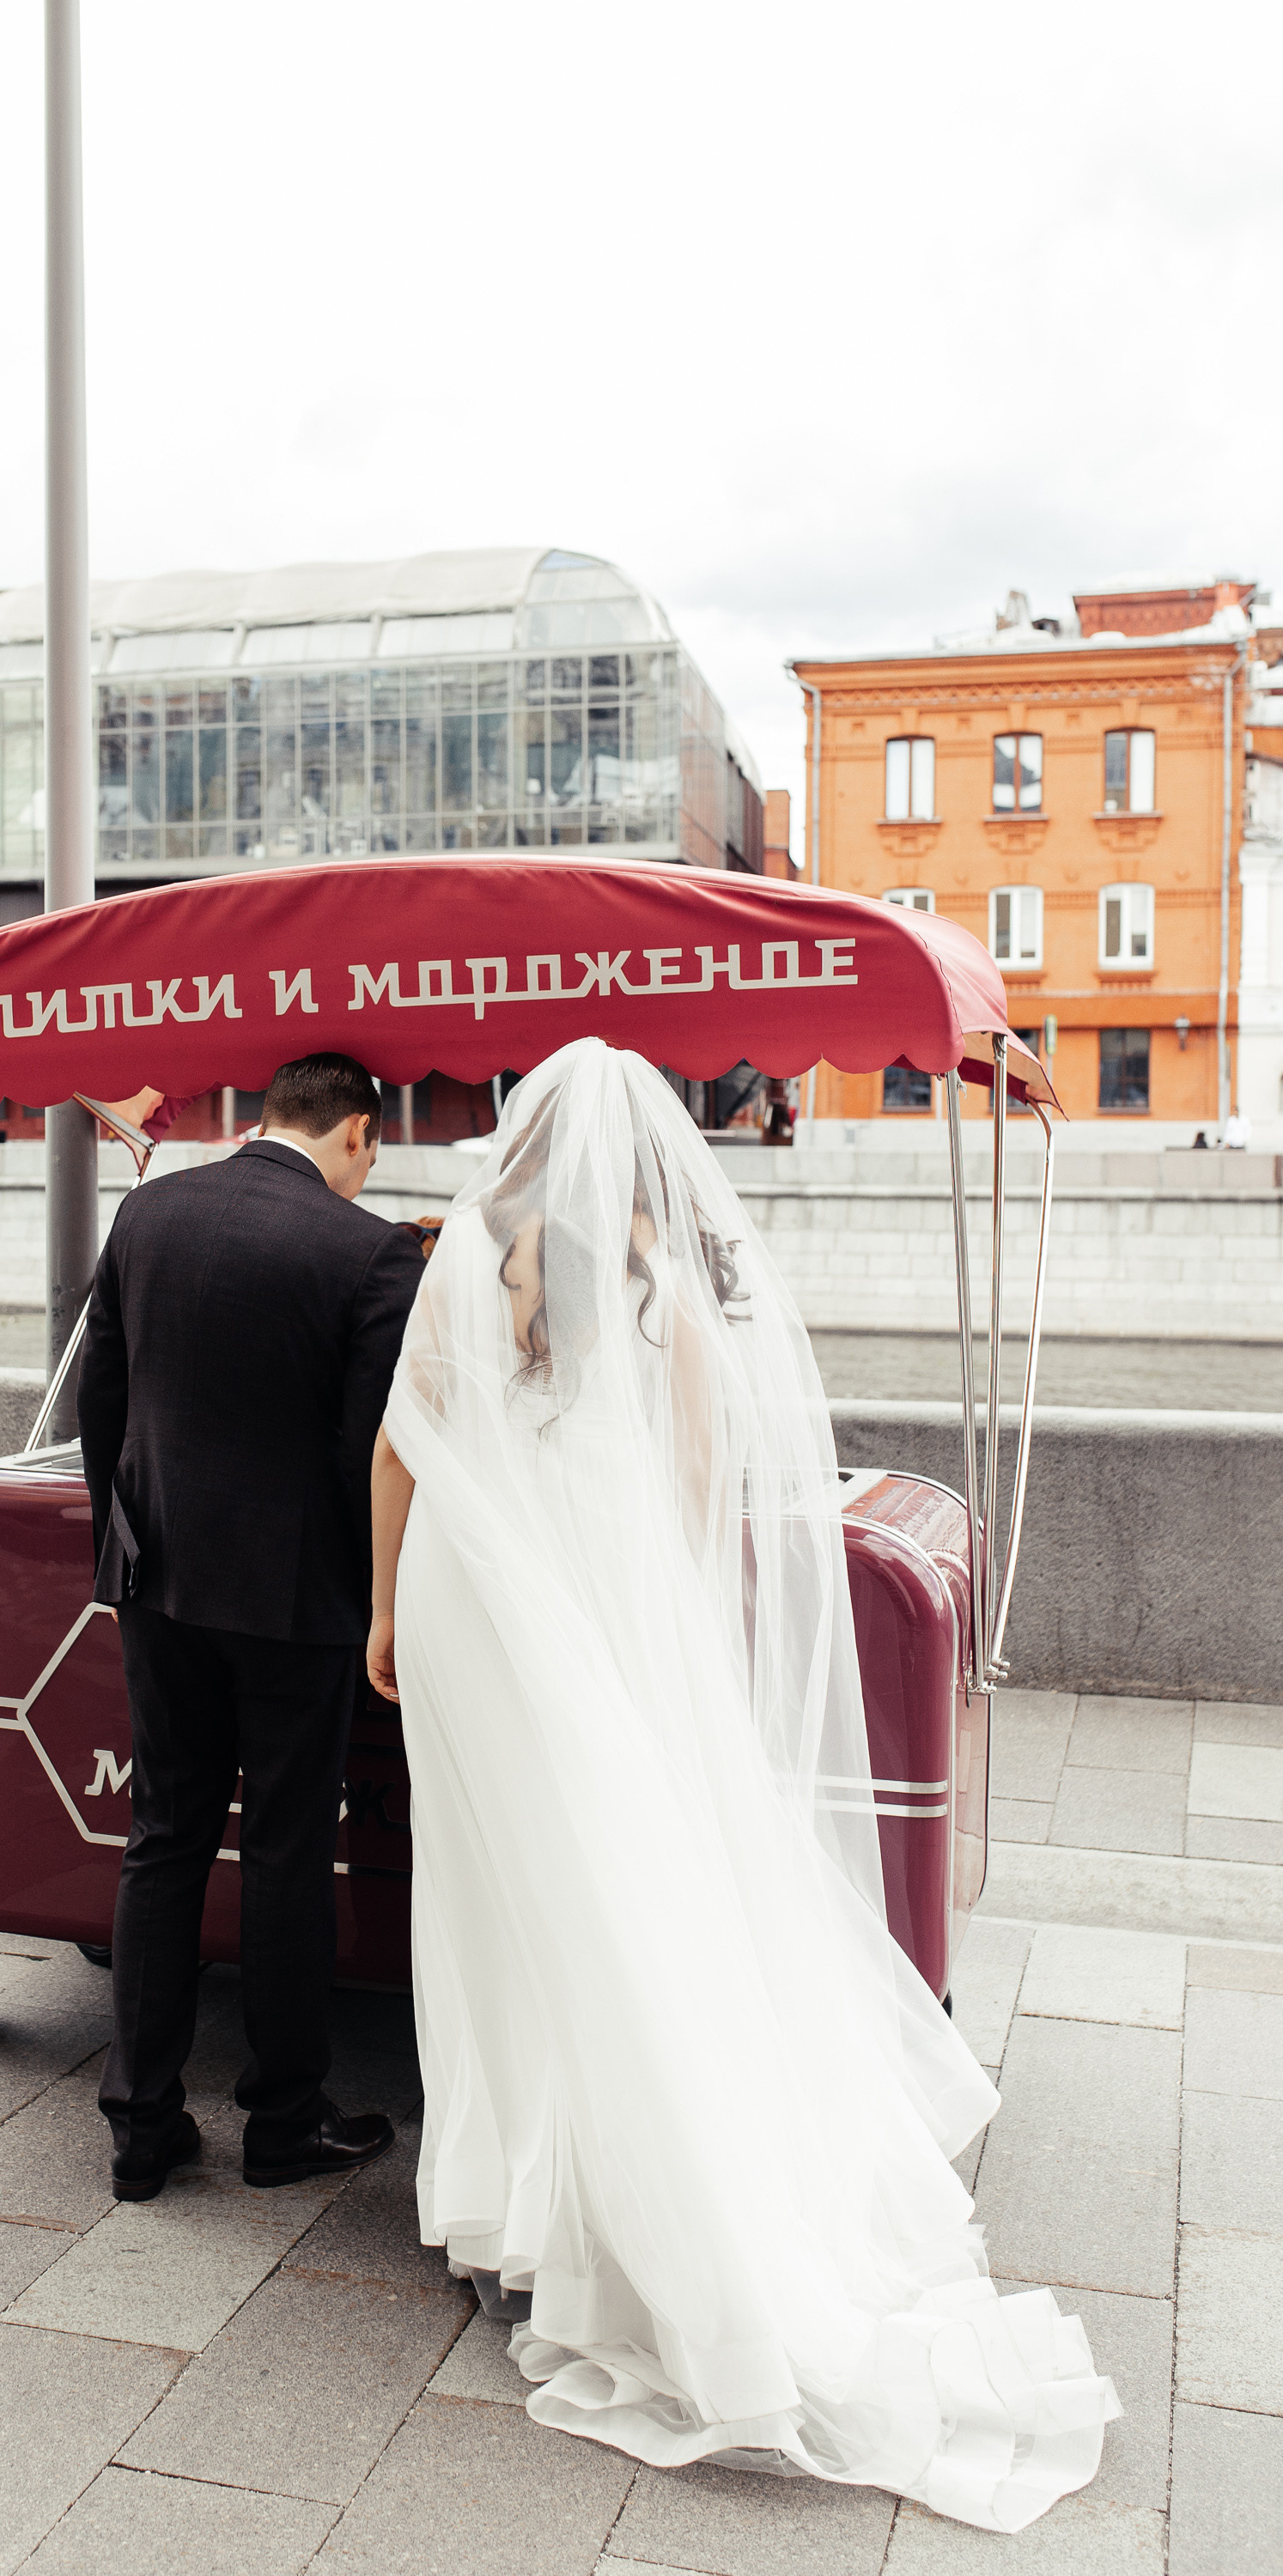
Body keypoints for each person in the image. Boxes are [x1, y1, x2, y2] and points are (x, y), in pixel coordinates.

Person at [367, 1038, 1118, 2534]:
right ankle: (592, 2206)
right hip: (595, 1608)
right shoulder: (666, 1289)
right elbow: (708, 1484)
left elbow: (404, 1449)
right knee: (617, 1890)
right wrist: (673, 1616)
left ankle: (517, 2199)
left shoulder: (468, 1259)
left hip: (474, 1605)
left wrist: (387, 1608)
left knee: (491, 1899)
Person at [78, 1051, 423, 2201]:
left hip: (160, 1580)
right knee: (285, 1852)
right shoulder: (371, 1251)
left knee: (163, 1839)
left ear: (269, 1117)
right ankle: (284, 2122)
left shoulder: (152, 1210)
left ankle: (139, 2123)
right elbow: (363, 1450)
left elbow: (104, 1400)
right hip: (294, 1604)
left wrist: (116, 1545)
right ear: (356, 1135)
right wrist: (365, 1597)